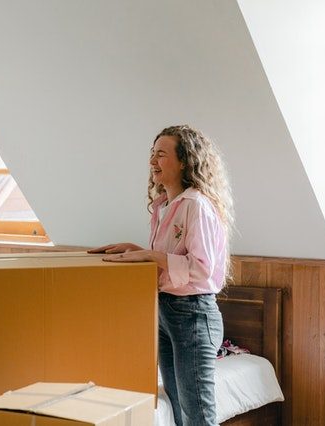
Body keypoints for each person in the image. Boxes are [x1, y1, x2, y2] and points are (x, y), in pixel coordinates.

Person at [89, 125, 233, 426]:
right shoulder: (164, 206)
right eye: (152, 154)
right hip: (166, 312)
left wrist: (151, 255)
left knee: (199, 415)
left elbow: (201, 269)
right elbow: (173, 259)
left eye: (161, 154)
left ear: (184, 162)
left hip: (193, 314)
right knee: (180, 410)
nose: (153, 161)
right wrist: (135, 250)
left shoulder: (196, 206)